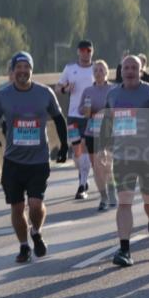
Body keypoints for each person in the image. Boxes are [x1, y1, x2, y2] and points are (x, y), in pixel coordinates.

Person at [0, 52, 69, 264]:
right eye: (18, 67)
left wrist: (65, 146)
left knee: (35, 203)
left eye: (26, 67)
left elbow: (59, 119)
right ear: (13, 71)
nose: (22, 71)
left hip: (38, 160)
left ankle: (37, 231)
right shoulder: (3, 95)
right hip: (13, 161)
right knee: (17, 207)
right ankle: (23, 246)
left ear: (31, 69)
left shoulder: (44, 93)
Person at [99, 55, 149, 266]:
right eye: (126, 67)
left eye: (134, 67)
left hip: (148, 155)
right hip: (123, 156)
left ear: (141, 70)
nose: (129, 71)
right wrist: (103, 148)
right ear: (121, 70)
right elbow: (107, 122)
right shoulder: (113, 94)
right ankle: (124, 250)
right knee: (124, 200)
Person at [57, 40, 95, 200]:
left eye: (88, 50)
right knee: (76, 150)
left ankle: (82, 184)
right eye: (82, 50)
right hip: (73, 116)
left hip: (90, 116)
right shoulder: (70, 69)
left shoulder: (96, 69)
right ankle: (83, 175)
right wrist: (66, 89)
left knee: (85, 148)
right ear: (78, 52)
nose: (85, 53)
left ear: (92, 51)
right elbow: (57, 88)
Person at [78, 60, 117, 211]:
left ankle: (111, 191)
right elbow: (81, 109)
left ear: (107, 72)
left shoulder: (114, 89)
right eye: (96, 70)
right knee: (97, 168)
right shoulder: (88, 91)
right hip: (91, 131)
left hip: (108, 132)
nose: (98, 73)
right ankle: (104, 197)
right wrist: (86, 111)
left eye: (101, 70)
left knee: (106, 165)